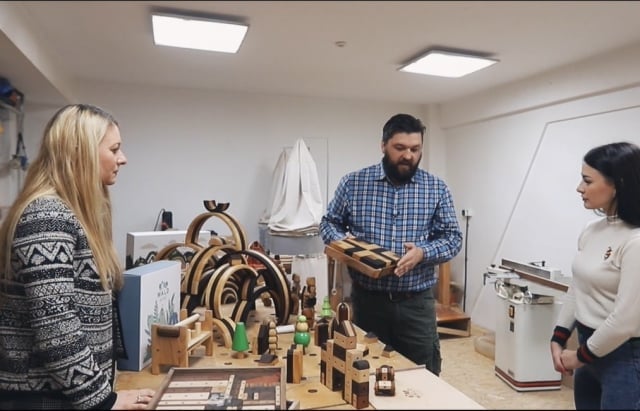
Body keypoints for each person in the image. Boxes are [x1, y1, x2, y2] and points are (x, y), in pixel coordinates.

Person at [0, 104, 155, 409]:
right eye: (114, 149)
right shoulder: (47, 217)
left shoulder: (69, 214)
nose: (123, 158)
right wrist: (104, 401)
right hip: (42, 399)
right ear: (80, 152)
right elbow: (56, 325)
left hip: (67, 396)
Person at [319, 113, 463, 376]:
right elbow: (329, 222)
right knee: (366, 373)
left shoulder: (436, 189)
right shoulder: (353, 184)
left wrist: (422, 253)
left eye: (415, 149)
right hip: (368, 302)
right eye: (400, 148)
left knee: (423, 375)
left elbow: (453, 239)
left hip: (416, 304)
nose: (408, 155)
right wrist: (342, 243)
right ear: (383, 145)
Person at [550, 141, 640, 410]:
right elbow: (578, 287)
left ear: (618, 185)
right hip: (589, 348)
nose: (580, 188)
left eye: (587, 181)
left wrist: (580, 356)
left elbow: (626, 321)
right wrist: (558, 337)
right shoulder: (591, 230)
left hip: (624, 356)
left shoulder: (635, 241)